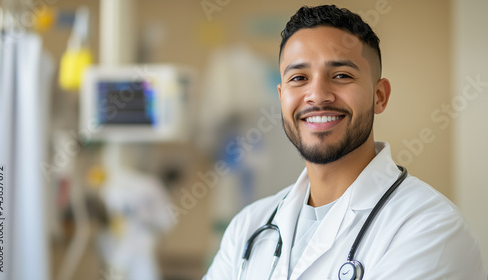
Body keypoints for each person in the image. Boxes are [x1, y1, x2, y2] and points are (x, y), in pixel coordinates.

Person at [204, 5, 487, 280]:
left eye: (341, 75)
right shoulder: (248, 227)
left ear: (380, 96)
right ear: (281, 97)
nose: (317, 95)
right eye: (299, 78)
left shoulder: (431, 228)